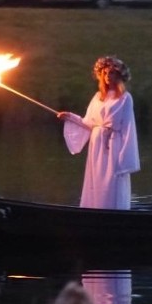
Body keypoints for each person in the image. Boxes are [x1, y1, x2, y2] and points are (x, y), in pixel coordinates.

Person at [57, 56, 140, 210]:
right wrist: (69, 117)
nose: (108, 76)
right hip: (97, 145)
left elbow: (128, 128)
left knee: (111, 180)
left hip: (113, 144)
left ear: (119, 76)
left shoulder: (125, 98)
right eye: (105, 73)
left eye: (111, 73)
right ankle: (95, 210)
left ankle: (113, 211)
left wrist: (124, 157)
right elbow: (88, 122)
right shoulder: (98, 97)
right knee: (96, 181)